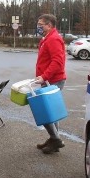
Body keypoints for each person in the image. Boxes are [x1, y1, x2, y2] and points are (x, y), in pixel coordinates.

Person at [33, 13, 66, 154]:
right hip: (48, 80)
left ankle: (56, 139)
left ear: (49, 25)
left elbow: (57, 62)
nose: (38, 27)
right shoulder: (48, 38)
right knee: (51, 113)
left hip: (53, 80)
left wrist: (44, 76)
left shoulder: (53, 39)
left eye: (41, 25)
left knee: (44, 111)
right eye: (38, 24)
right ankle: (54, 141)